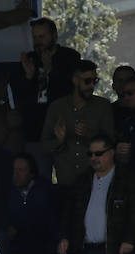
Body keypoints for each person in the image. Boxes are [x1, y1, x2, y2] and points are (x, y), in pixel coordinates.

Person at [60, 135, 135, 254]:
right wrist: (65, 237)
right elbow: (69, 213)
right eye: (90, 154)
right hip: (87, 250)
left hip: (117, 251)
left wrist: (130, 240)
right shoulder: (83, 180)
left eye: (98, 153)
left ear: (111, 153)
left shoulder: (127, 178)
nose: (94, 158)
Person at [43, 60, 116, 192]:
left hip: (95, 181)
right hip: (65, 182)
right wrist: (59, 141)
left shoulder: (103, 106)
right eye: (87, 81)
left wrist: (89, 134)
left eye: (95, 81)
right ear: (75, 80)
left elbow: (111, 143)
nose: (92, 86)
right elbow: (44, 145)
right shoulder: (57, 107)